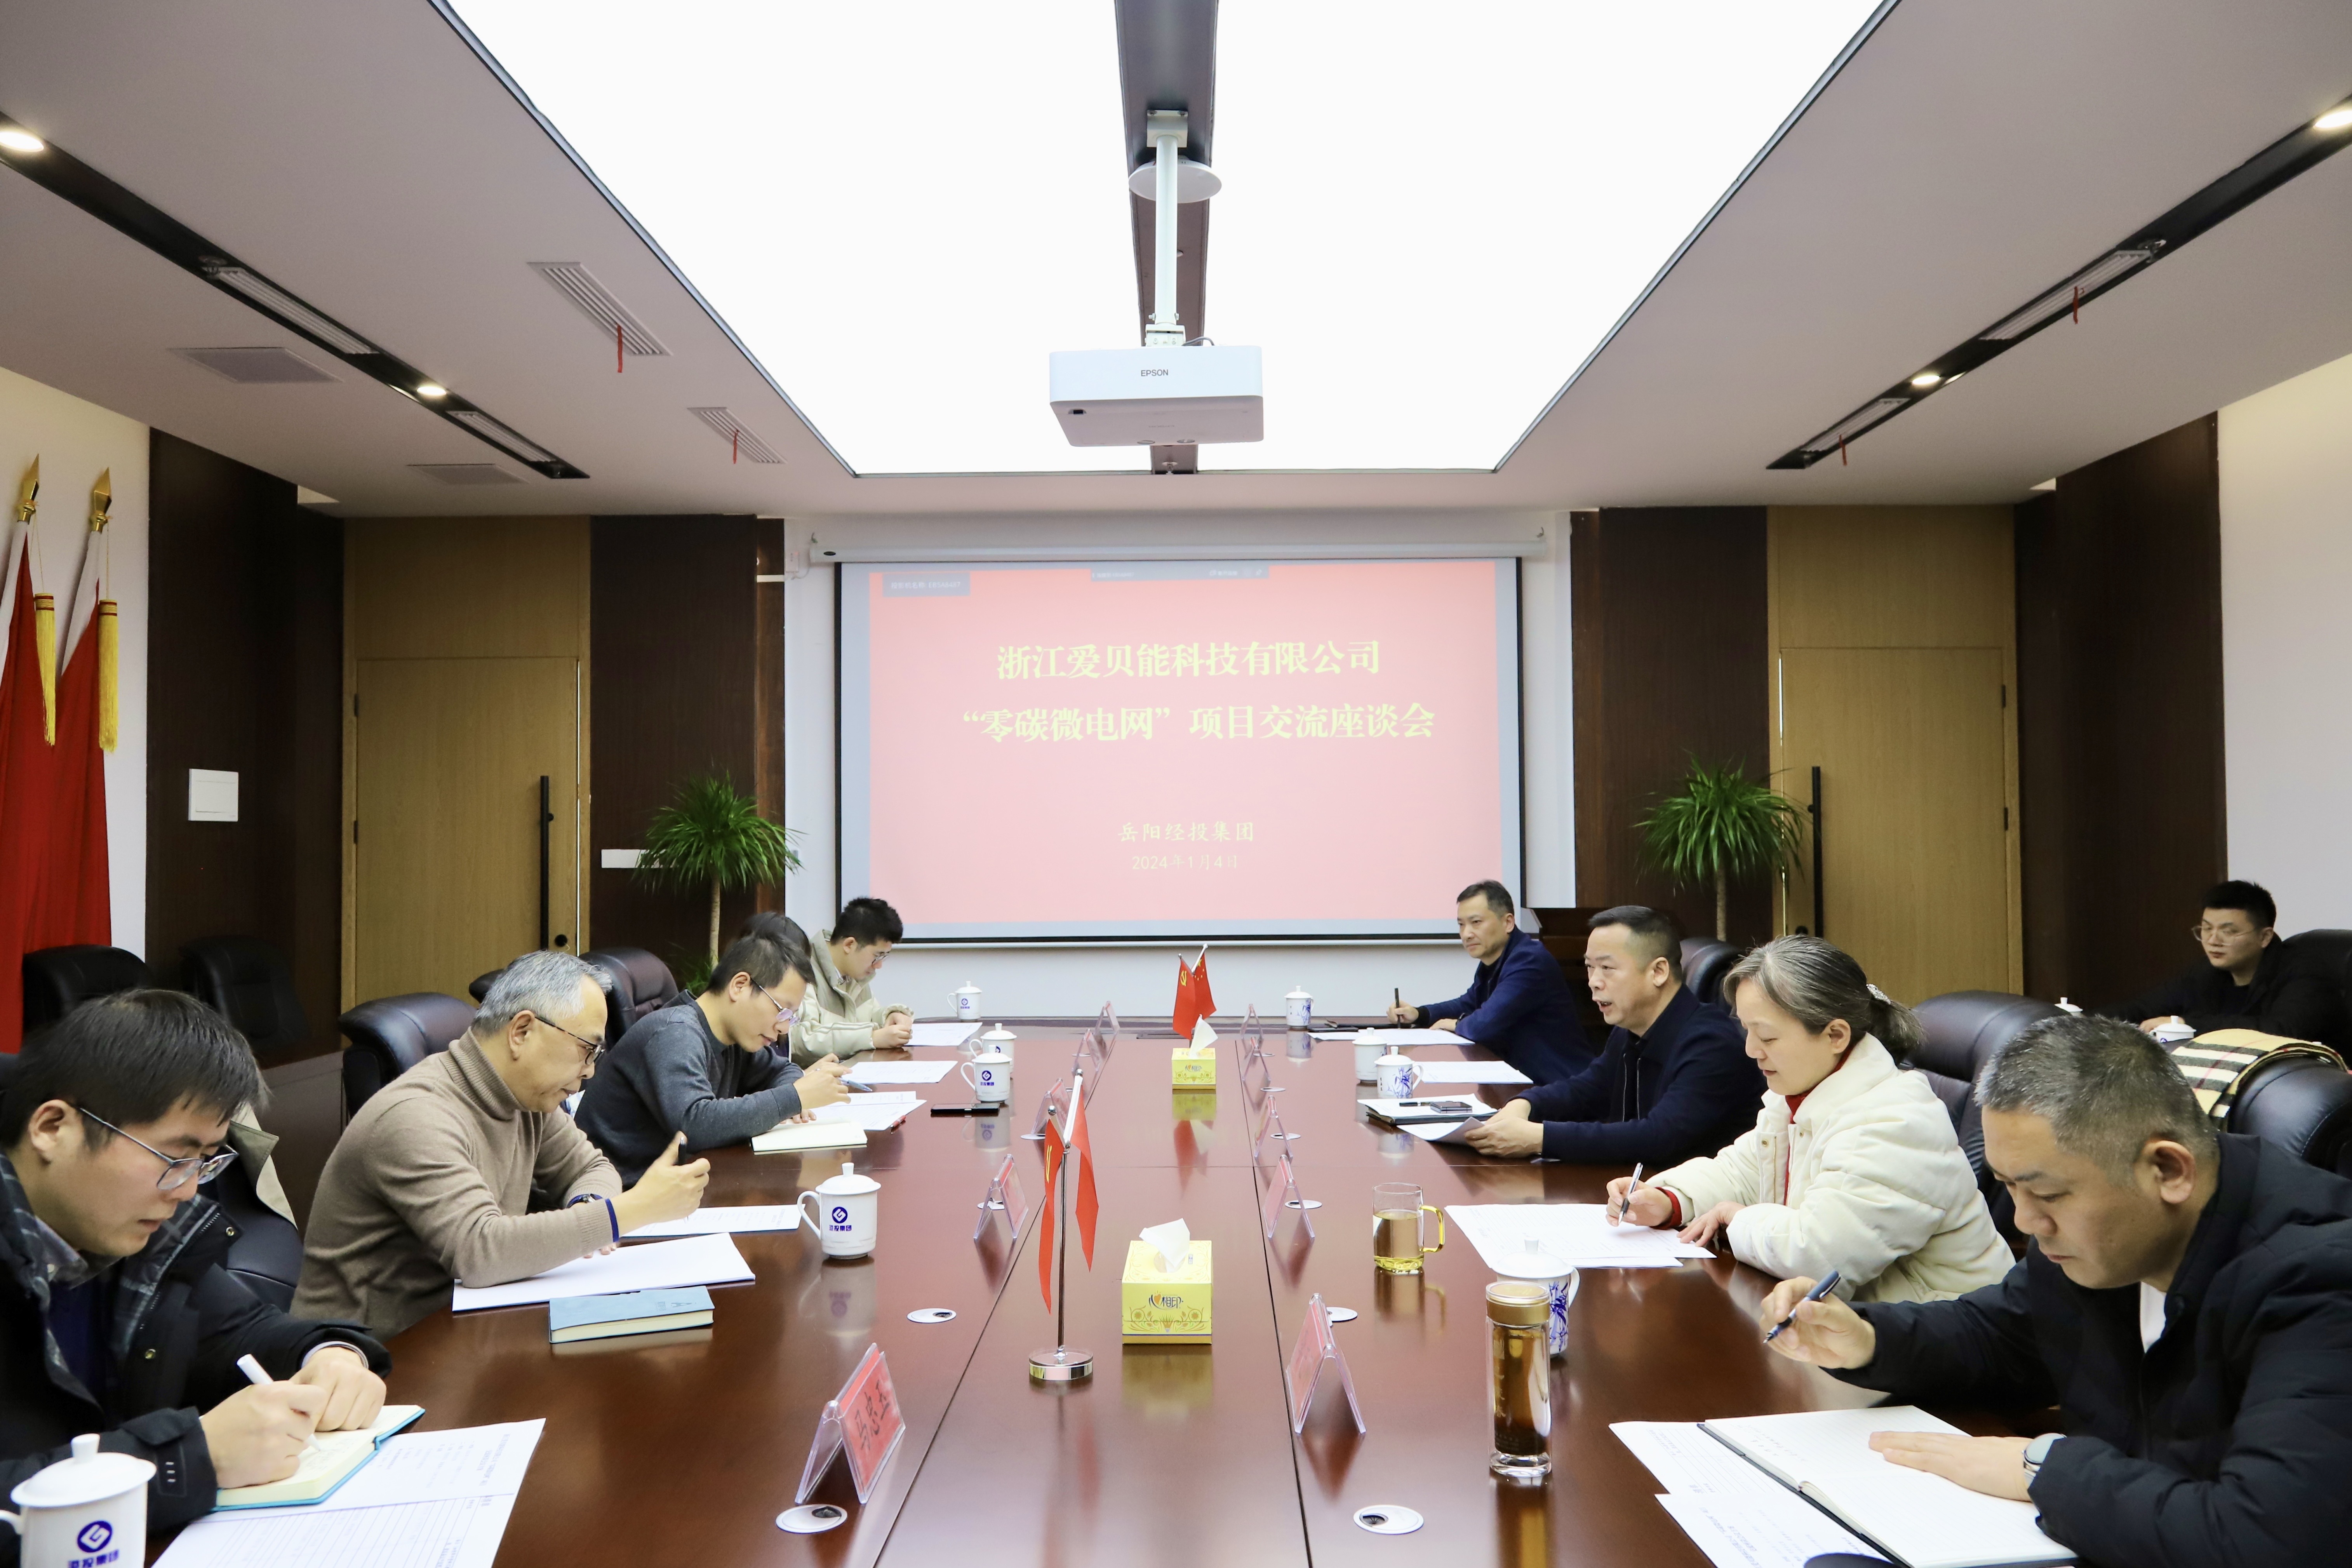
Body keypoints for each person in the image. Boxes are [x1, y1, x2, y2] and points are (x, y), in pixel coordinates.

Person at [1761, 1014, 2352, 1567]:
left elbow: (2266, 1537)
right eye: (2009, 1187)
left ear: (2169, 1170)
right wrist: (1866, 1337)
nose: (2024, 1222)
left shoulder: (2321, 1278)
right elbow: (2002, 1336)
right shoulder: (2106, 1237)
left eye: (2047, 1194)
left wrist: (2043, 1467)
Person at [0, 993, 390, 1547]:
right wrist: (184, 1460)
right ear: (52, 1127)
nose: (187, 1191)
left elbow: (243, 1330)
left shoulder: (132, 1237)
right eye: (173, 1157)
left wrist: (329, 1356)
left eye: (205, 1161)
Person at [296, 950, 712, 1337]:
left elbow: (592, 1167)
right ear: (522, 1031)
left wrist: (589, 1205)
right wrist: (630, 1210)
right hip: (368, 1356)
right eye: (586, 1049)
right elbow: (479, 1251)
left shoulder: (526, 1096)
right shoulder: (414, 1116)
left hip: (468, 1326)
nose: (589, 1071)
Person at [1607, 935, 2010, 1303]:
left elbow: (1820, 1258)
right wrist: (1669, 1199)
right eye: (1747, 1030)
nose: (1751, 1050)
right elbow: (1743, 1171)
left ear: (1835, 1035)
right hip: (1858, 1324)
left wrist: (1737, 1219)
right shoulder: (1799, 1092)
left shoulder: (1895, 1122)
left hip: (1948, 1333)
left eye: (1767, 1037)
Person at [1465, 906, 1761, 1164]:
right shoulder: (1629, 1029)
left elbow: (1659, 1137)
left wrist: (1539, 1138)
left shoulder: (1711, 1043)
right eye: (1590, 967)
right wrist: (1525, 1104)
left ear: (1658, 972)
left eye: (1607, 968)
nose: (1594, 982)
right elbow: (1588, 1090)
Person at [577, 928, 852, 1182]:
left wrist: (795, 1094)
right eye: (782, 1010)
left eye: (791, 1017)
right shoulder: (675, 1033)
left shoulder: (734, 1037)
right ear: (740, 986)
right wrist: (794, 1098)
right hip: (617, 1194)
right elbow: (696, 1125)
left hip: (674, 1186)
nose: (783, 1028)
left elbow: (782, 1070)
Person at [1387, 880, 1590, 1082]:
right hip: (1520, 1080)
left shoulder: (1530, 961)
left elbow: (1484, 1025)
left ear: (1508, 923)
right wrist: (1420, 1014)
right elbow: (1469, 1003)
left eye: (1476, 922)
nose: (1466, 934)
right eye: (1461, 925)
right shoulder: (1495, 960)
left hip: (1559, 1084)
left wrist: (1455, 1024)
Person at [2100, 879, 2346, 1046]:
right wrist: (2085, 1023)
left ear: (2265, 937)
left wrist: (2188, 1025)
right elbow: (2142, 1009)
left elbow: (2283, 1030)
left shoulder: (2305, 972)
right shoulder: (2205, 972)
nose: (2213, 941)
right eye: (2207, 929)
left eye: (2228, 931)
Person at [789, 898, 915, 1067]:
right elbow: (800, 1038)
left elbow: (869, 1015)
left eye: (885, 957)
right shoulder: (803, 970)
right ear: (849, 945)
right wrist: (872, 1037)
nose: (879, 965)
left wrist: (890, 1016)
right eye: (877, 956)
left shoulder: (854, 973)